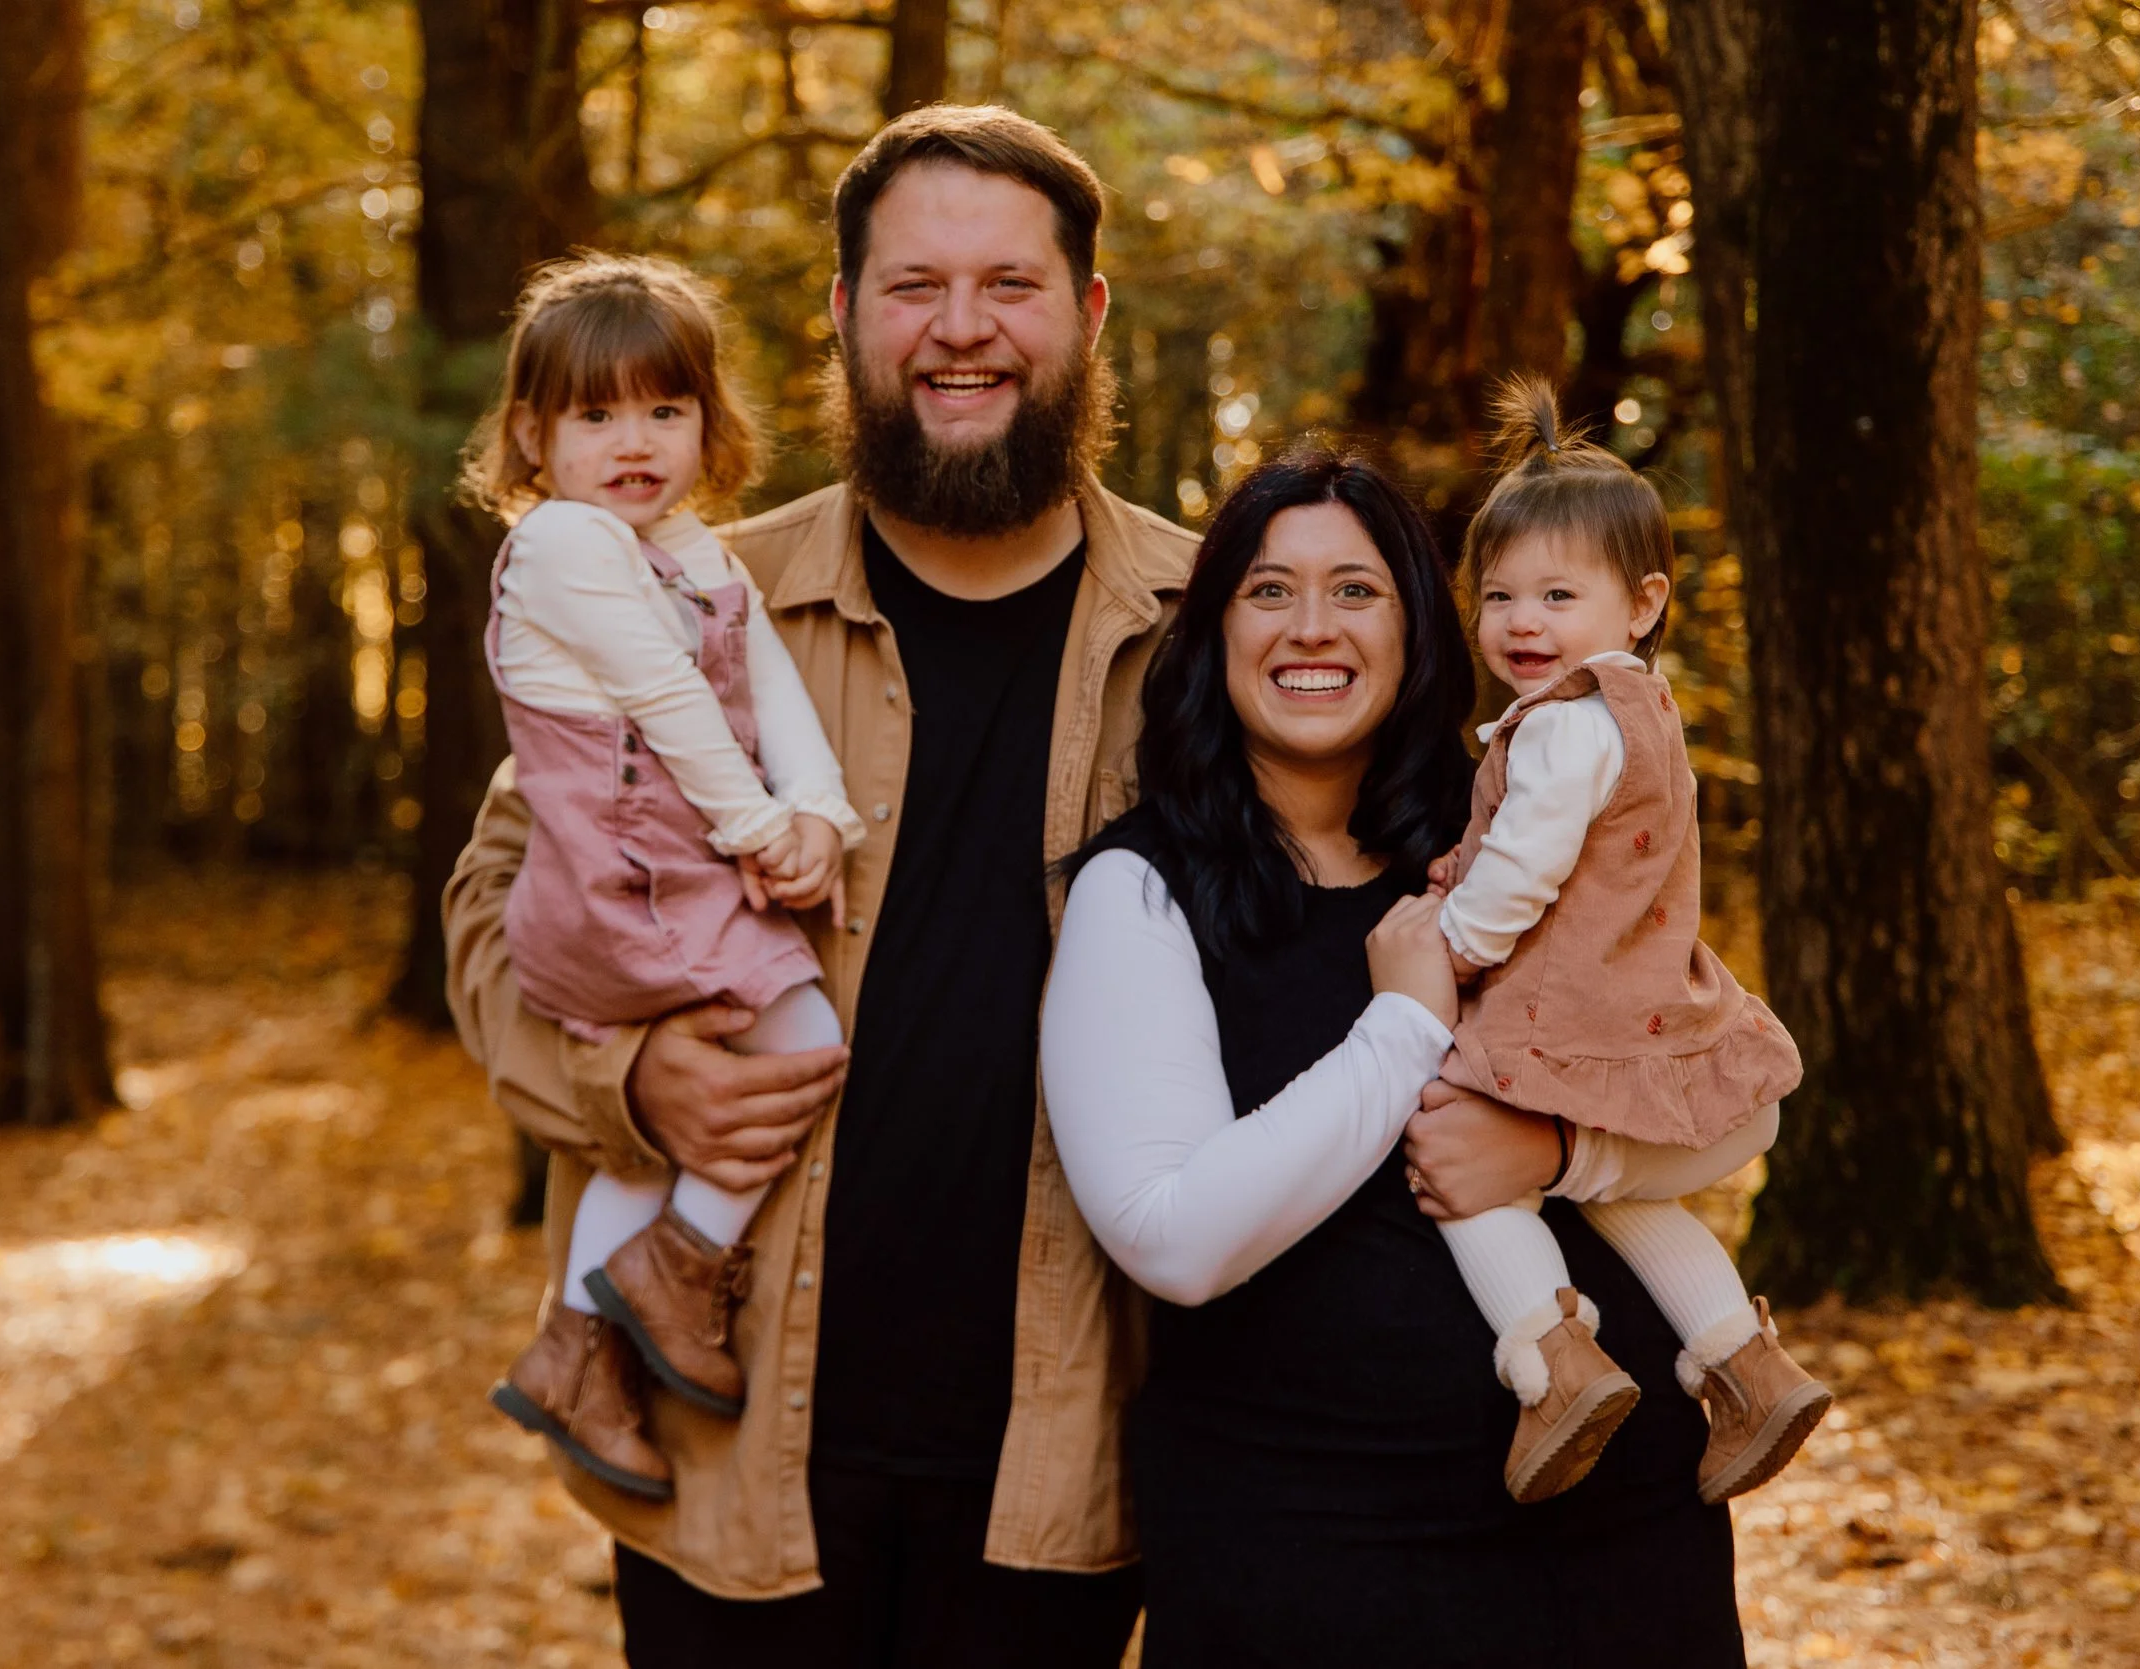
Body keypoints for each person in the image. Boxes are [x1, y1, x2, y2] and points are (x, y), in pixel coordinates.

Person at [442, 105, 1189, 1667]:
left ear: (1089, 313)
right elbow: (492, 918)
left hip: (1062, 1465)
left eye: (1011, 286)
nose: (962, 331)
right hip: (738, 1466)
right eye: (914, 286)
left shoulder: (1207, 632)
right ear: (844, 317)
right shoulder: (687, 581)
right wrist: (631, 1074)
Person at [1042, 449, 1748, 1666]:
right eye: (1268, 591)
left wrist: (1560, 1148)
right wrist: (1404, 1025)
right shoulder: (1144, 890)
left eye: (1356, 590)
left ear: (1420, 624)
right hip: (1323, 1566)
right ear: (1212, 628)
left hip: (1627, 1567)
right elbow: (1174, 1238)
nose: (1311, 626)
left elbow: (1741, 1112)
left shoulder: (1513, 841)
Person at [463, 254, 865, 1502]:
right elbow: (668, 699)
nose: (633, 443)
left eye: (663, 410)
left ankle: (579, 1356)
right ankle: (680, 1269)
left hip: (657, 880)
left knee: (634, 1149)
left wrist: (820, 814)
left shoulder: (691, 550)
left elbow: (773, 694)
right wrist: (758, 833)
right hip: (624, 887)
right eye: (595, 416)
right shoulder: (566, 545)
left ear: (707, 420)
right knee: (802, 1035)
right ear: (534, 434)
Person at [1424, 379, 1830, 1506]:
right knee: (1622, 1190)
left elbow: (1523, 870)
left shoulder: (1559, 729)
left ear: (1643, 601)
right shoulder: (1637, 710)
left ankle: (1550, 1359)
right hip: (1645, 1001)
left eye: (1558, 593)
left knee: (1466, 1176)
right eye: (1497, 594)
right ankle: (1743, 1363)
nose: (1521, 622)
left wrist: (1445, 947)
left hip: (1562, 1014)